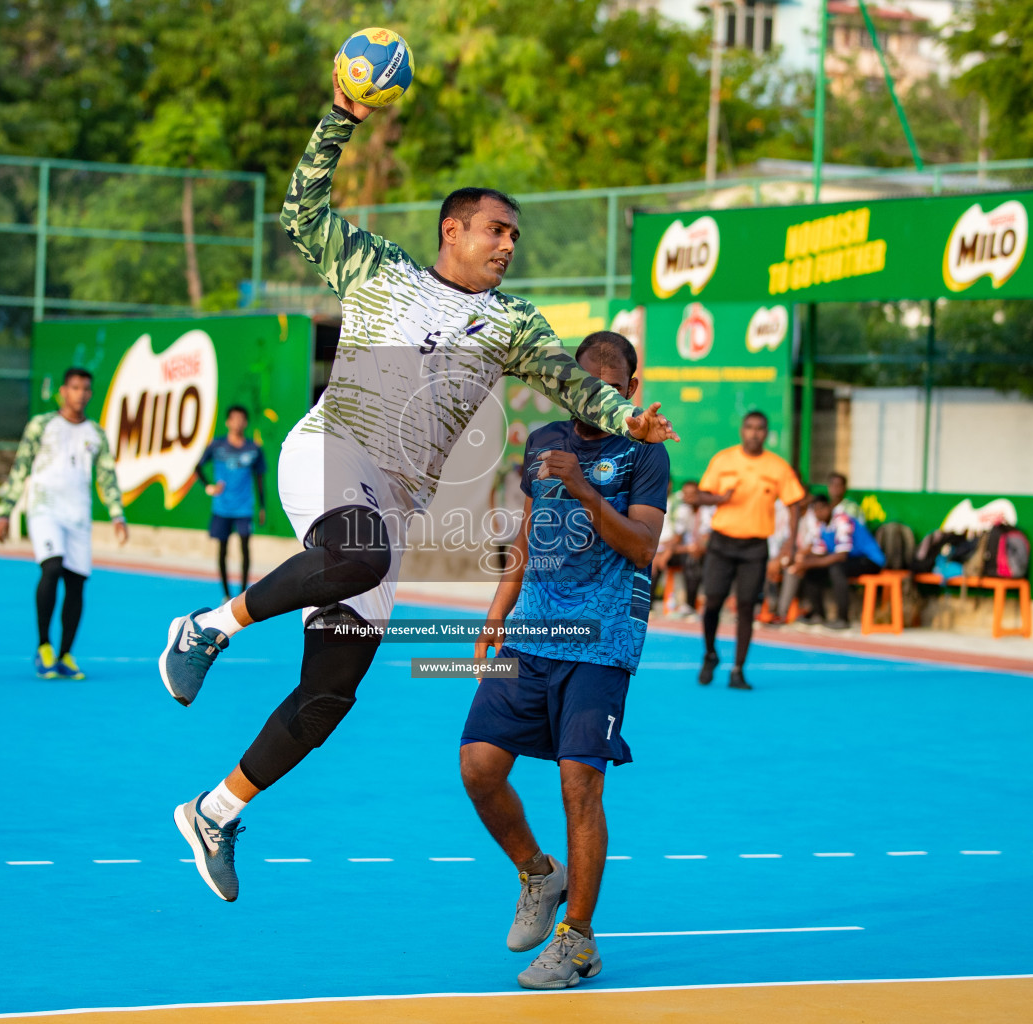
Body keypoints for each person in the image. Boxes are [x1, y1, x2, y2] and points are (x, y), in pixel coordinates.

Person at [157, 74, 678, 904]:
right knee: (356, 554)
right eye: (496, 230)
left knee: (331, 691)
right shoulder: (377, 269)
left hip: (390, 508)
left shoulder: (515, 324)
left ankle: (215, 811)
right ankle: (206, 629)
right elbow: (301, 209)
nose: (509, 245)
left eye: (515, 235)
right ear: (453, 230)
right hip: (331, 451)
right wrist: (340, 118)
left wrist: (628, 417)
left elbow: (575, 387)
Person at [465, 332, 667, 990]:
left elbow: (641, 547)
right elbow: (530, 531)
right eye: (584, 381)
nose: (594, 394)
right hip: (530, 636)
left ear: (629, 391)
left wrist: (583, 487)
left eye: (610, 385)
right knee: (479, 768)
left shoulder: (647, 453)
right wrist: (498, 610)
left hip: (601, 643)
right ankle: (536, 872)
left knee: (580, 786)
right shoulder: (542, 440)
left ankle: (577, 939)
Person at [0, 367, 129, 680]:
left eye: (86, 389)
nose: (80, 394)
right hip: (45, 509)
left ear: (90, 394)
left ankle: (66, 654)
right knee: (51, 567)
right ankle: (43, 646)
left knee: (76, 583)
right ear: (63, 391)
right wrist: (6, 510)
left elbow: (107, 476)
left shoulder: (96, 435)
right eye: (75, 388)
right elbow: (20, 467)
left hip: (78, 516)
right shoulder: (41, 425)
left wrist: (117, 515)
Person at [688, 410, 805, 690]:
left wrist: (789, 544)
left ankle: (738, 670)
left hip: (755, 547)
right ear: (742, 430)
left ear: (767, 433)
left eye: (760, 428)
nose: (754, 433)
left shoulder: (777, 467)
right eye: (749, 427)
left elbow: (795, 504)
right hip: (721, 543)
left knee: (746, 607)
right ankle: (710, 653)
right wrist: (720, 498)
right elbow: (700, 496)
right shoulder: (723, 460)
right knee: (713, 602)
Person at [197, 406, 266, 601]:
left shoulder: (254, 449)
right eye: (233, 419)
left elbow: (260, 478)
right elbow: (198, 467)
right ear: (228, 422)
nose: (237, 422)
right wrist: (208, 486)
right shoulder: (217, 445)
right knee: (223, 549)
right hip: (222, 507)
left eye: (241, 419)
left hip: (244, 507)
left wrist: (262, 507)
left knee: (245, 548)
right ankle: (226, 594)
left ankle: (243, 593)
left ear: (246, 422)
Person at [794, 492, 886, 628]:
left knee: (836, 569)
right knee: (812, 571)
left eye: (821, 509)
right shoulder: (822, 527)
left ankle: (843, 619)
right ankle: (818, 615)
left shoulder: (842, 520)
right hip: (849, 560)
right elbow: (819, 553)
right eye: (815, 510)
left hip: (870, 560)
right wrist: (803, 562)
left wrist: (807, 563)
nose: (819, 513)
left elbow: (841, 555)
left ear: (829, 508)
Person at [651, 480, 704, 615]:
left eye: (692, 494)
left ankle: (690, 606)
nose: (688, 497)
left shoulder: (705, 511)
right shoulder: (681, 509)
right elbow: (677, 537)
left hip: (694, 552)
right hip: (676, 550)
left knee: (691, 559)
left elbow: (682, 538)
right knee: (652, 562)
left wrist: (667, 551)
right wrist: (662, 552)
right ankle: (648, 606)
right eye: (686, 494)